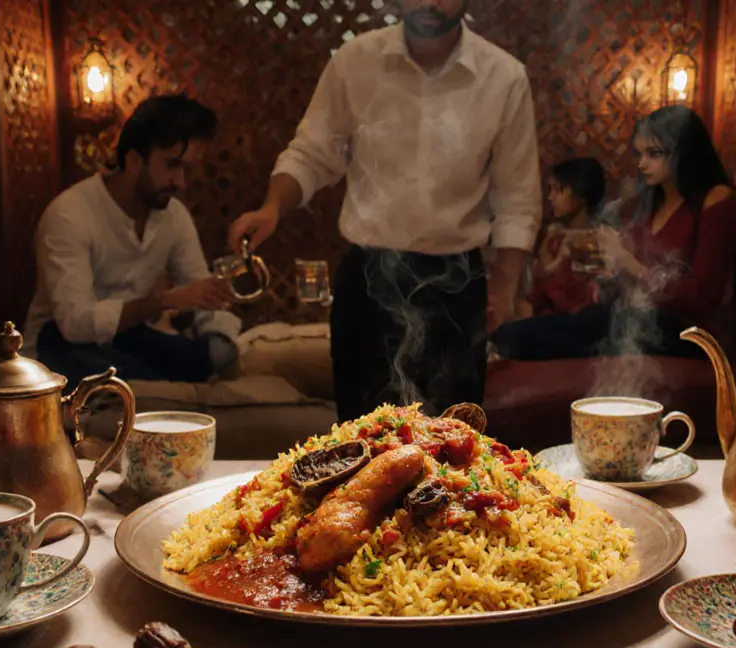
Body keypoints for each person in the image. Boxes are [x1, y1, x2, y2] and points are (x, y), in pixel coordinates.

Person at [228, 0, 541, 421]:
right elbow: (311, 154)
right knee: (360, 436)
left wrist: (503, 288)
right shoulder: (355, 61)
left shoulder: (503, 77)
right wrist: (271, 207)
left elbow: (517, 195)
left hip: (455, 285)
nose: (430, 3)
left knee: (454, 442)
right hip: (368, 281)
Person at [23, 94, 240, 387]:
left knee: (195, 358)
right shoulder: (71, 214)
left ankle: (149, 383)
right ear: (135, 160)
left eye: (186, 169)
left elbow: (201, 290)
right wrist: (163, 301)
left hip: (130, 337)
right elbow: (74, 324)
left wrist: (220, 339)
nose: (181, 182)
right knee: (119, 375)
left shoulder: (173, 216)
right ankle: (145, 385)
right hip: (62, 343)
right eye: (172, 165)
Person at [491, 106, 736, 360]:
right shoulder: (652, 204)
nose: (642, 164)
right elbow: (635, 276)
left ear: (684, 152)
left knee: (558, 335)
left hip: (683, 332)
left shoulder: (715, 199)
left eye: (653, 154)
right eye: (640, 154)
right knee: (539, 331)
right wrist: (609, 271)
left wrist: (627, 262)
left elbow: (701, 296)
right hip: (636, 319)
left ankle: (500, 347)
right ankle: (495, 348)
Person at [526, 157, 609, 318]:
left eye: (558, 190)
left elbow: (581, 305)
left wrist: (552, 268)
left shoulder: (596, 242)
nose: (551, 197)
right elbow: (536, 299)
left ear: (581, 194)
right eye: (550, 190)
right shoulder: (555, 240)